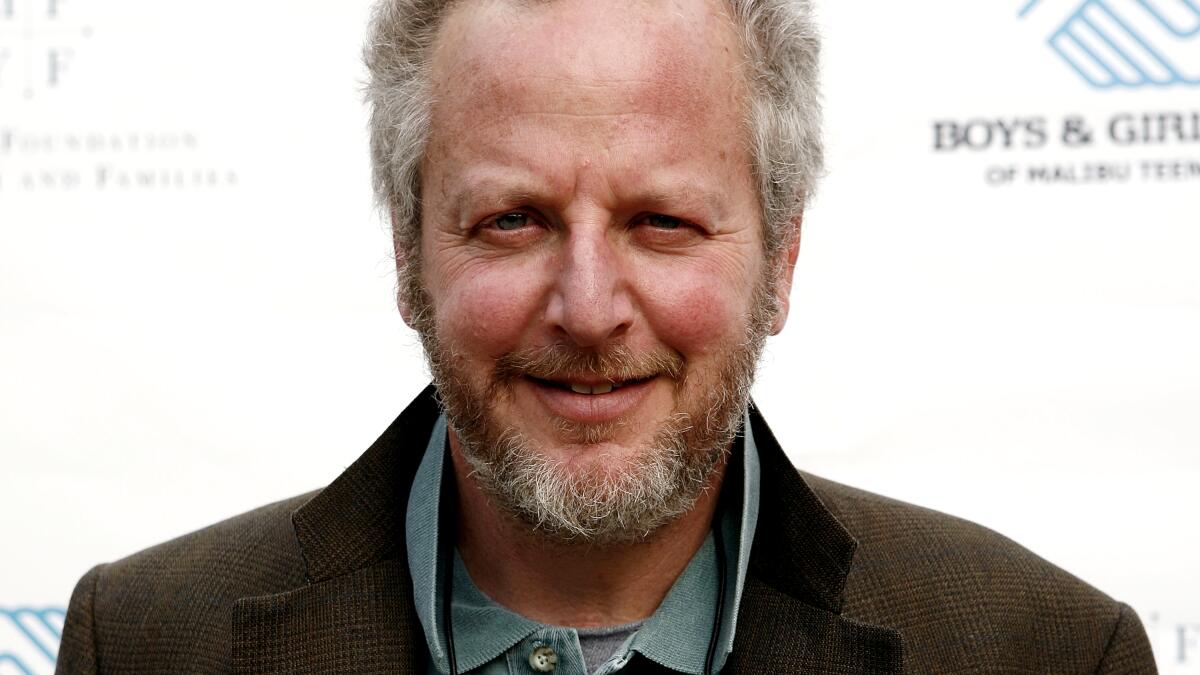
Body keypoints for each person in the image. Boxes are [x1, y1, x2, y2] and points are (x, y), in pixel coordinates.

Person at [56, 0, 1157, 673]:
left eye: (662, 222)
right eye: (513, 220)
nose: (587, 310)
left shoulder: (1046, 652)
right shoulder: (149, 644)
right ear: (407, 255)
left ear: (780, 258)